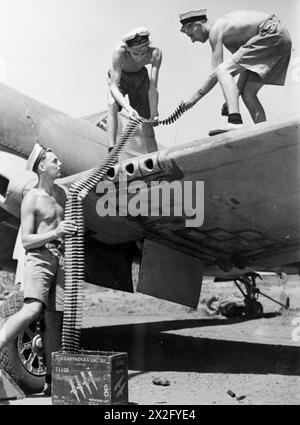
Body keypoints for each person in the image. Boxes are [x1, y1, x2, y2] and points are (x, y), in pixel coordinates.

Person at [0, 144, 77, 395]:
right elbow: (26, 240)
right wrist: (56, 232)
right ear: (42, 167)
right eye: (55, 161)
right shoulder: (31, 198)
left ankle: (51, 383)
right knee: (32, 309)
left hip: (60, 259)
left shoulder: (62, 193)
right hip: (39, 260)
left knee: (54, 321)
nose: (60, 164)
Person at [180, 9, 292, 135]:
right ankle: (265, 133)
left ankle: (234, 122)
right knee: (248, 93)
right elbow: (245, 66)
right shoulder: (231, 35)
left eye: (191, 35)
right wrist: (234, 97)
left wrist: (193, 99)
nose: (193, 40)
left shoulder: (216, 30)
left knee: (222, 69)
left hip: (271, 32)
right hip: (282, 37)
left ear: (198, 26)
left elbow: (216, 72)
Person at [107, 26, 162, 152]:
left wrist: (154, 111)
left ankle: (154, 155)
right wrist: (129, 108)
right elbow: (114, 86)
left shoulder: (155, 53)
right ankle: (112, 149)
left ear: (148, 45)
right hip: (121, 77)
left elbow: (153, 86)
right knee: (112, 104)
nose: (139, 57)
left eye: (143, 53)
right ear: (127, 49)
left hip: (141, 77)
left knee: (147, 120)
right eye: (135, 53)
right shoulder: (118, 52)